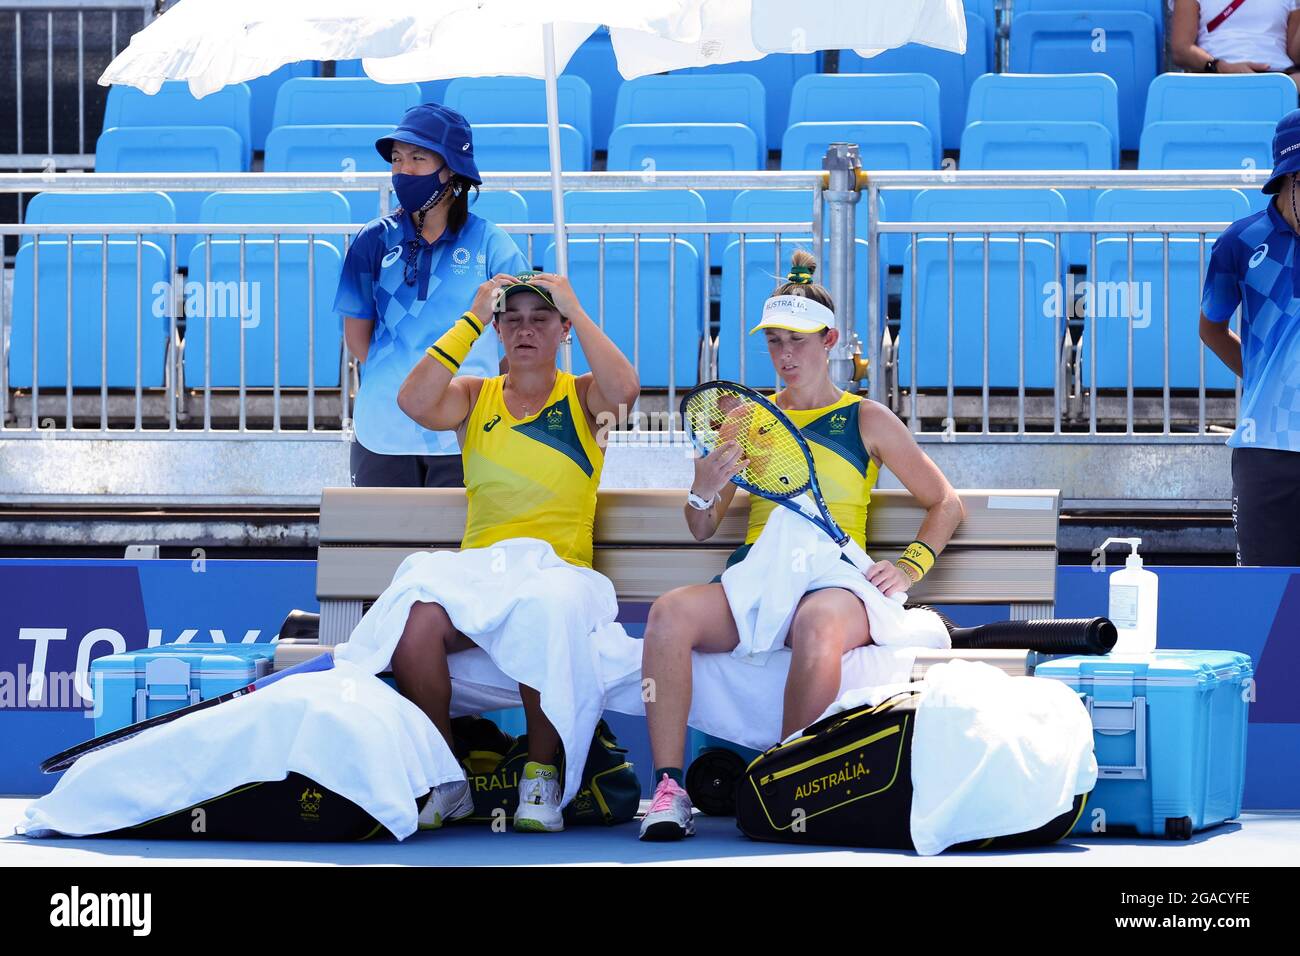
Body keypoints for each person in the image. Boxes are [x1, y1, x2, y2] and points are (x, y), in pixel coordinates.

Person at [637, 251, 966, 841]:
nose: (785, 356)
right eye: (774, 343)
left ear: (831, 340)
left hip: (835, 579)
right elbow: (702, 527)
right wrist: (702, 490)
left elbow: (945, 502)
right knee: (667, 616)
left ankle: (783, 779)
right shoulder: (745, 421)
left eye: (799, 341)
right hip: (758, 574)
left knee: (818, 628)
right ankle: (667, 788)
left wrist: (911, 566)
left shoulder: (867, 418)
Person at [388, 269, 639, 831]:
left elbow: (624, 390)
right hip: (482, 578)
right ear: (499, 331)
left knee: (540, 606)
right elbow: (412, 400)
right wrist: (471, 317)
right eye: (513, 319)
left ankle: (541, 776)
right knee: (417, 621)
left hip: (559, 577)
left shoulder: (583, 398)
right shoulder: (475, 397)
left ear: (562, 330)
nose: (526, 330)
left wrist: (575, 302)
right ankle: (447, 777)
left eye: (542, 319)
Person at [334, 103, 528, 488]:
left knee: (463, 550)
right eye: (396, 159)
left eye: (418, 158)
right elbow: (357, 339)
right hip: (382, 430)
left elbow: (522, 340)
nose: (403, 170)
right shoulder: (371, 240)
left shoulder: (493, 244)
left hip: (466, 431)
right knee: (383, 547)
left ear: (452, 168)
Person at [1199, 109, 1300, 567]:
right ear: (1288, 178)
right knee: (1263, 595)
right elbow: (1211, 328)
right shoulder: (1240, 242)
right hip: (1265, 448)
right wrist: (1261, 376)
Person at [1171, 0, 1300, 87]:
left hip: (1279, 77)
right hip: (1216, 76)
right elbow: (1181, 50)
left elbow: (1295, 55)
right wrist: (1221, 67)